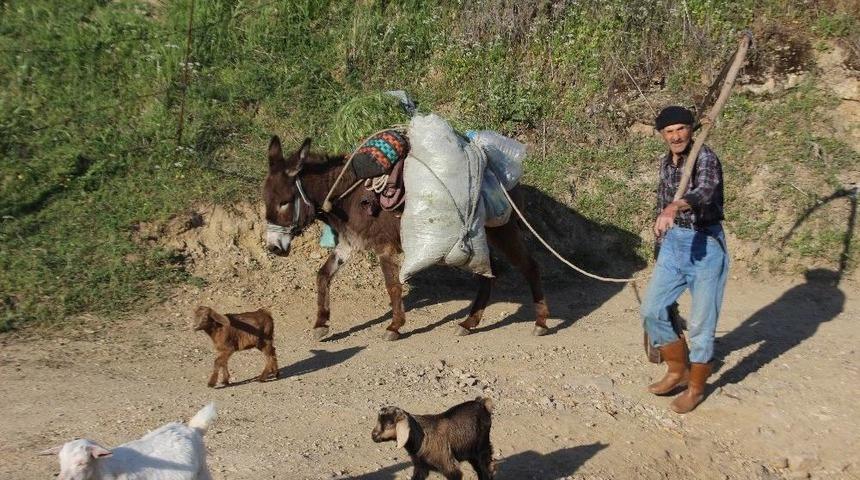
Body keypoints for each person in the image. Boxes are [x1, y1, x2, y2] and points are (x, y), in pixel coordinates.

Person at [640, 105, 729, 413]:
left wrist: (675, 206)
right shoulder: (666, 163)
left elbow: (705, 191)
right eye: (669, 131)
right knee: (652, 310)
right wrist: (660, 241)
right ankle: (678, 369)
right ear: (662, 135)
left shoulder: (705, 157)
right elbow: (661, 202)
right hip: (674, 243)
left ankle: (696, 389)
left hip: (706, 244)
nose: (676, 136)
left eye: (681, 129)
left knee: (702, 324)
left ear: (691, 130)